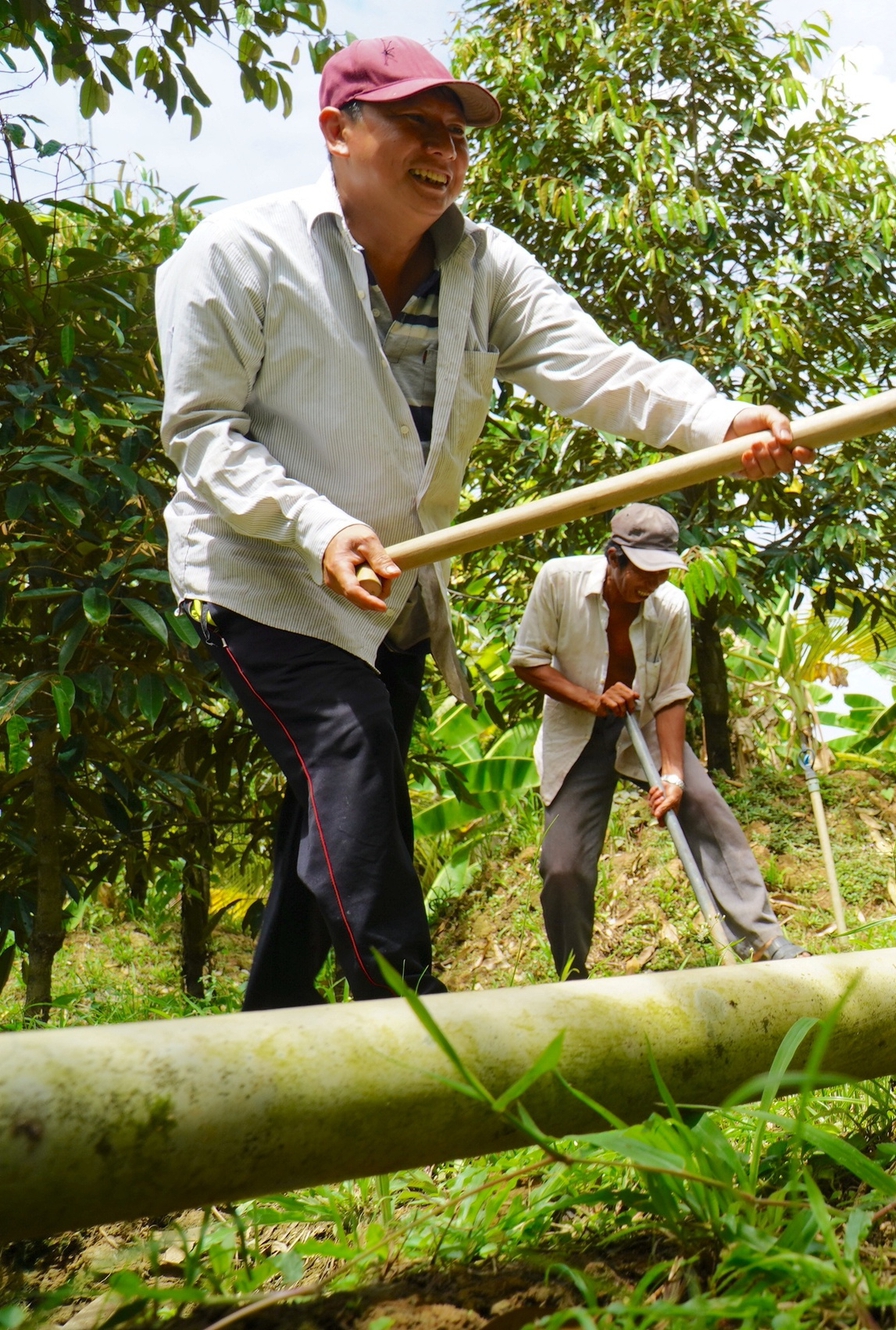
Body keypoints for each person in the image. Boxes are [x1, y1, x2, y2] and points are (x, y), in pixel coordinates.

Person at [157, 37, 809, 1010]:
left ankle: (263, 1040)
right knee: (350, 746)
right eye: (418, 126)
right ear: (338, 131)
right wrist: (317, 528)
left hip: (391, 593)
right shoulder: (235, 258)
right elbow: (205, 436)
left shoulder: (485, 267)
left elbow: (593, 367)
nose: (445, 153)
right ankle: (417, 1020)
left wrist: (716, 420)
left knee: (333, 811)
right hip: (260, 572)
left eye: (458, 136)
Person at [511, 504, 804, 974]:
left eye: (662, 572)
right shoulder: (559, 580)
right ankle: (572, 975)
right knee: (563, 866)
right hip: (577, 729)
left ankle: (763, 940)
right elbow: (527, 660)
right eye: (643, 572)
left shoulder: (670, 605)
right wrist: (591, 700)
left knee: (707, 810)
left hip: (644, 722)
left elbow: (670, 693)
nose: (652, 583)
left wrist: (673, 774)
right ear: (613, 557)